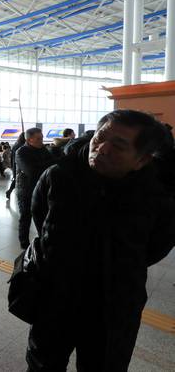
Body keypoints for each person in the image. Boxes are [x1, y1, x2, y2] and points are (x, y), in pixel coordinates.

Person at [25, 110, 175, 371]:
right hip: (55, 296)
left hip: (115, 305)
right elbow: (39, 217)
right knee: (42, 363)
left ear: (141, 160)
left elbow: (156, 247)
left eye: (118, 145)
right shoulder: (59, 175)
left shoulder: (155, 196)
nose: (102, 149)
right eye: (100, 137)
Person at [15, 128, 54, 249]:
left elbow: (53, 164)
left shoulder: (43, 150)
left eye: (42, 138)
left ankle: (43, 240)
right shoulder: (21, 152)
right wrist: (47, 164)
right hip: (26, 190)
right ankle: (24, 244)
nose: (41, 141)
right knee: (26, 217)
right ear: (29, 139)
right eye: (38, 139)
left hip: (42, 189)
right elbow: (31, 171)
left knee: (43, 216)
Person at [6, 133, 26, 199]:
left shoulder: (16, 144)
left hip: (15, 164)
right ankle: (10, 191)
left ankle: (9, 191)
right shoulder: (21, 146)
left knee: (16, 179)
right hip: (19, 165)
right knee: (17, 179)